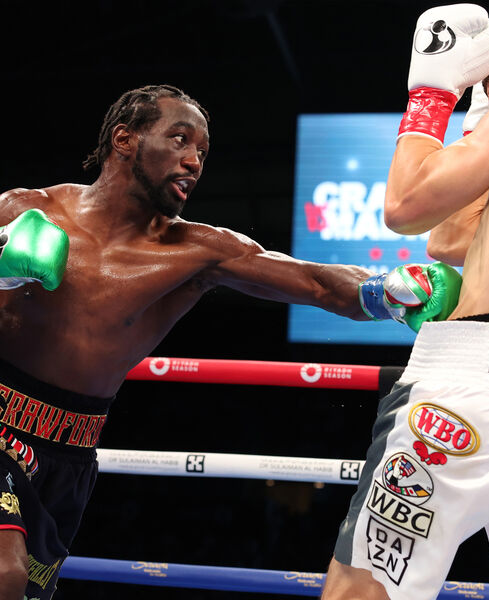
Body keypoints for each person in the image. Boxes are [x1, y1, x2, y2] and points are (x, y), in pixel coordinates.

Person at [0, 84, 462, 600]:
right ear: (124, 140)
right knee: (4, 572)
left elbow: (315, 282)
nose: (194, 161)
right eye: (179, 139)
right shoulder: (25, 209)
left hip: (70, 453)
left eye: (202, 150)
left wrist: (389, 291)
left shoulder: (198, 251)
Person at [322, 4, 489, 600]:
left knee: (364, 593)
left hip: (463, 396)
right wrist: (479, 130)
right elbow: (449, 240)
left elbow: (406, 207)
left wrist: (433, 95)